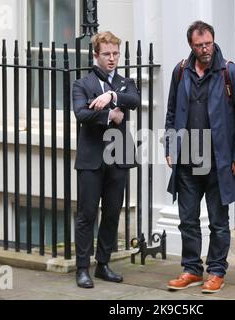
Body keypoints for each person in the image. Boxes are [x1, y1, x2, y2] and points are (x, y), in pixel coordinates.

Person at [164, 21, 235, 293]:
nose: (205, 49)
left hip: (219, 160)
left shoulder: (230, 72)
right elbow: (170, 113)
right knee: (187, 219)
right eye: (199, 45)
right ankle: (191, 269)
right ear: (191, 45)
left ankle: (216, 271)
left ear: (214, 41)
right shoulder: (181, 72)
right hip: (188, 158)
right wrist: (170, 147)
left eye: (208, 44)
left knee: (218, 221)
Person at [72, 31, 140, 289]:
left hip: (119, 157)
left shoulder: (125, 83)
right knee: (87, 214)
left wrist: (111, 97)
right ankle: (82, 268)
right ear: (96, 55)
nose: (112, 59)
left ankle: (103, 264)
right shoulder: (82, 84)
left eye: (115, 54)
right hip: (91, 159)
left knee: (112, 213)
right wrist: (110, 116)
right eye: (107, 54)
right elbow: (81, 114)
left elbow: (134, 100)